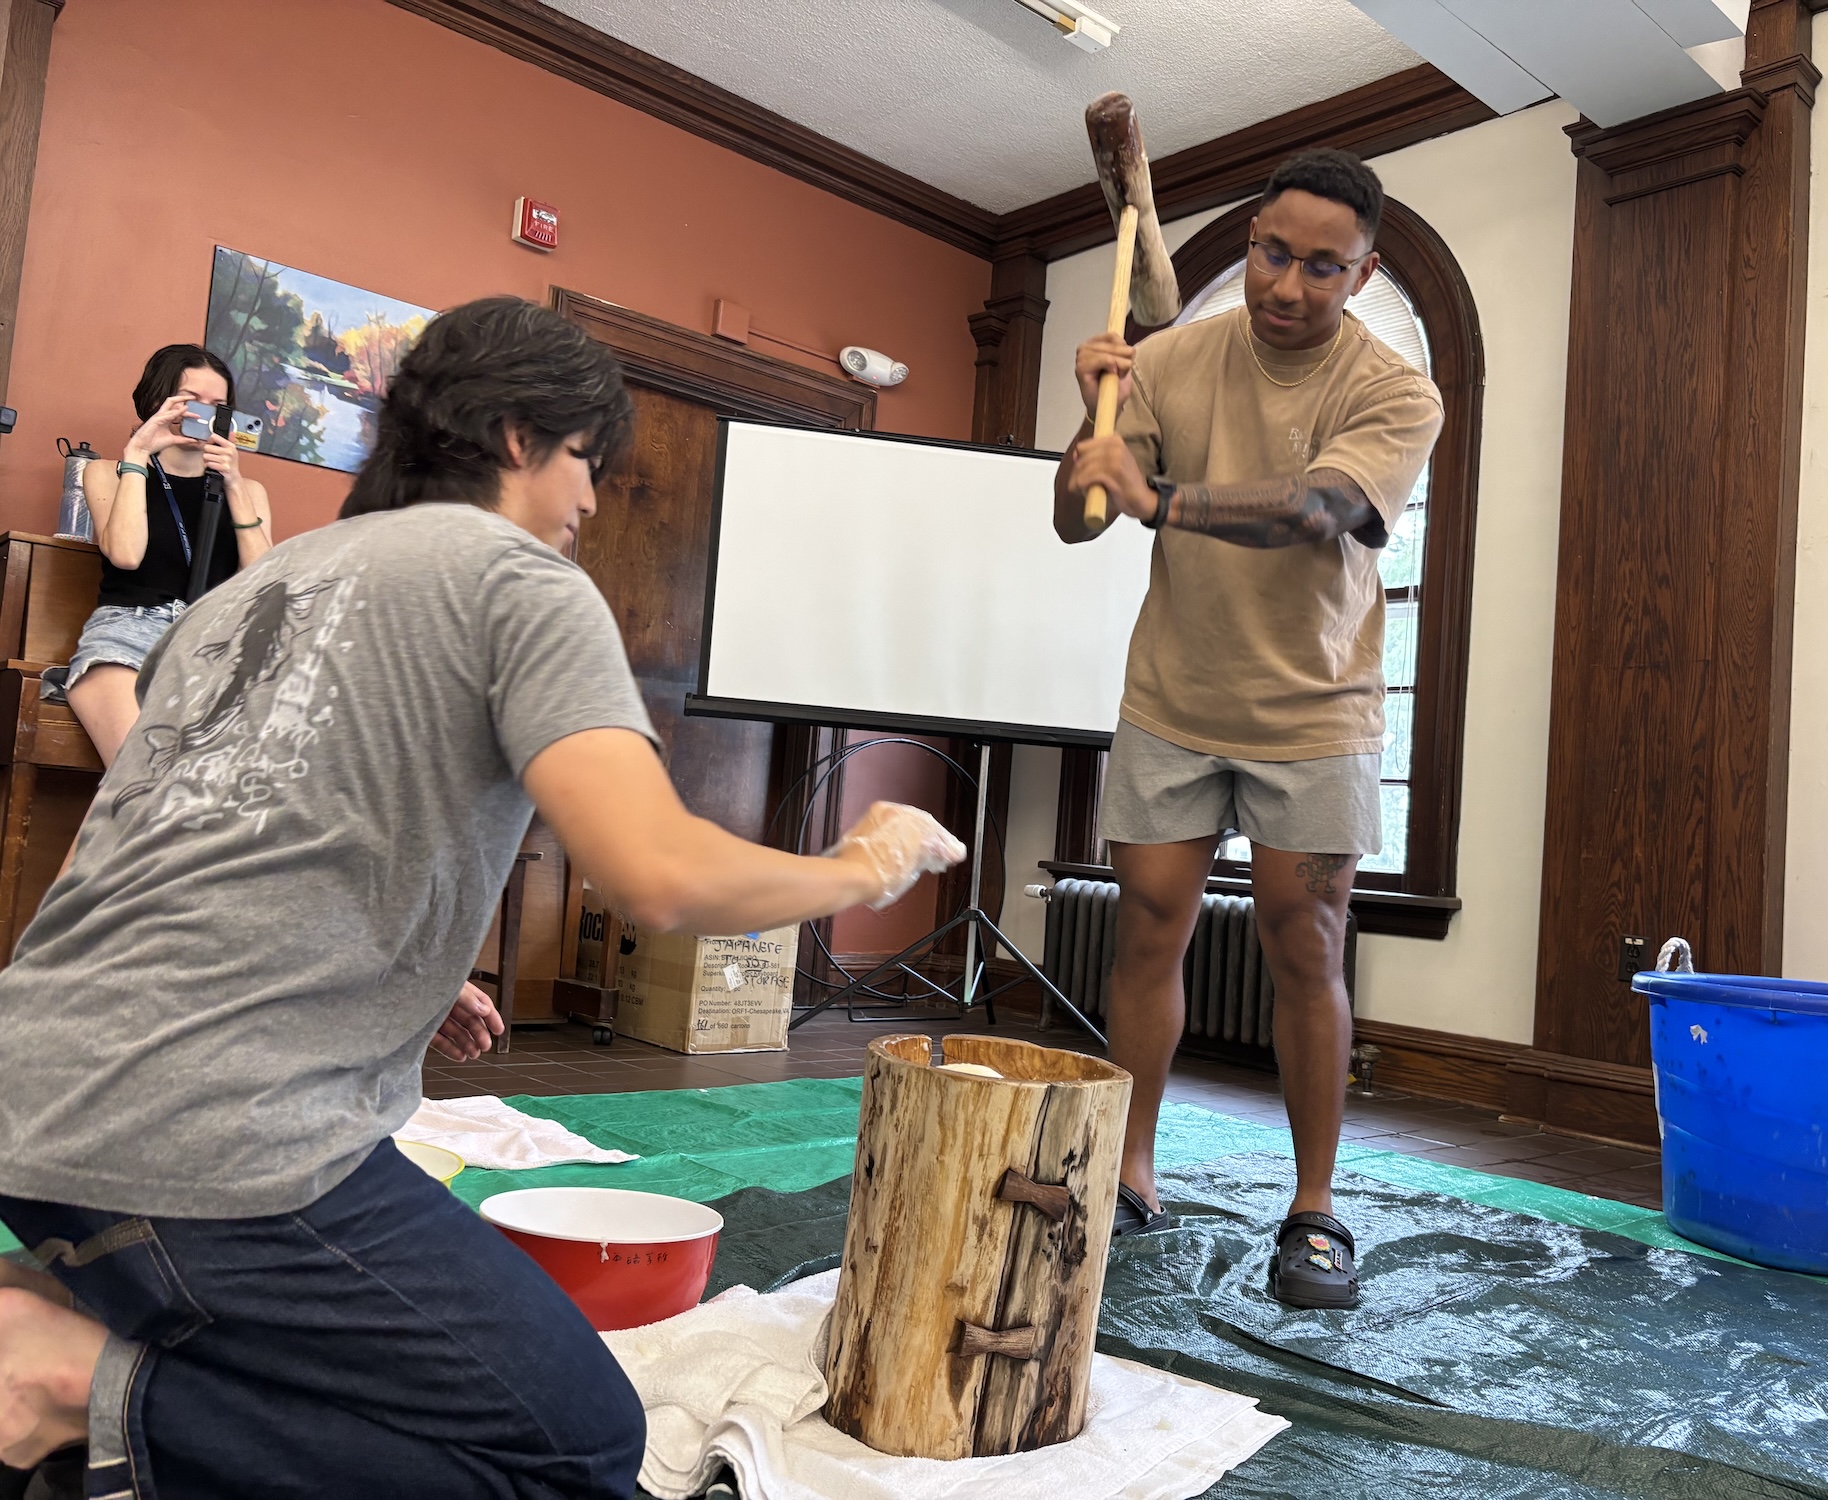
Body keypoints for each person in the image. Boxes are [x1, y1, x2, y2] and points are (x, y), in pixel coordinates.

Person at [0, 296, 964, 1497]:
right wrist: (859, 864)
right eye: (584, 463)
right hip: (199, 1140)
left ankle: (101, 1371)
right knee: (576, 1450)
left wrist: (415, 971)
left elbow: (219, 839)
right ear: (517, 438)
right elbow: (657, 874)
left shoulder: (259, 589)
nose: (593, 502)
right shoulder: (517, 581)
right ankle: (73, 1384)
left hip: (31, 1095)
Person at [1054, 148, 1443, 1310]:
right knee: (1146, 934)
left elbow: (1320, 509)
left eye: (1322, 267)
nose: (1287, 285)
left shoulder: (1394, 389)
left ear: (1360, 272)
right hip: (1172, 696)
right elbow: (1083, 522)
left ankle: (1314, 1209)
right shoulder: (1168, 358)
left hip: (1316, 712)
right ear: (1248, 244)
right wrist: (1098, 423)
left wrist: (1160, 498)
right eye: (1272, 253)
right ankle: (1129, 1172)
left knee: (1302, 943)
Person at [51, 344, 274, 767]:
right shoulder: (107, 473)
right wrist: (137, 453)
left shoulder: (249, 493)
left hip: (212, 643)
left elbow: (261, 584)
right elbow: (126, 553)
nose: (205, 416)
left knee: (223, 790)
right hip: (127, 635)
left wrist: (234, 483)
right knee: (142, 778)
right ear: (160, 402)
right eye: (191, 402)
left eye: (219, 407)